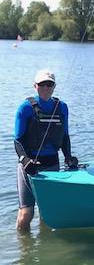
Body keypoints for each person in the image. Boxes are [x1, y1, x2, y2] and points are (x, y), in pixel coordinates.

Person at [14, 69, 78, 232]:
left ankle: (43, 246)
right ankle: (24, 249)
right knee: (26, 214)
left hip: (52, 166)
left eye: (49, 84)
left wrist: (68, 157)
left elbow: (64, 137)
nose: (46, 88)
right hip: (30, 167)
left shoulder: (62, 107)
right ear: (35, 86)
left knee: (47, 213)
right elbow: (17, 140)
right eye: (42, 84)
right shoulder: (25, 108)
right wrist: (24, 160)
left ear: (54, 86)